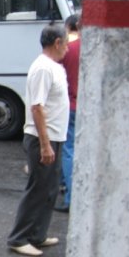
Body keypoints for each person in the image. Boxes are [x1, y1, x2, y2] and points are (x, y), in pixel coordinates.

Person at [7, 23, 69, 256]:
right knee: (37, 189)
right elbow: (37, 108)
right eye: (66, 43)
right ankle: (18, 238)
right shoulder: (43, 68)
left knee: (50, 189)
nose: (68, 49)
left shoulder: (53, 66)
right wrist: (45, 144)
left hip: (55, 137)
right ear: (57, 43)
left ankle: (37, 235)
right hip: (42, 138)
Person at [55, 14, 81, 213]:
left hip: (70, 105)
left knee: (67, 151)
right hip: (88, 107)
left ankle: (70, 196)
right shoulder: (92, 47)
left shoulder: (68, 50)